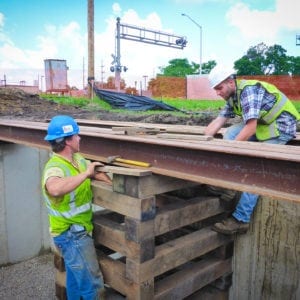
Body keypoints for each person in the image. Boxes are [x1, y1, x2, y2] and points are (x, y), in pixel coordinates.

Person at [205, 66, 300, 235]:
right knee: (231, 132)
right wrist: (204, 141)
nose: (217, 93)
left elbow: (251, 127)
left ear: (230, 82)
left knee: (257, 167)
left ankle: (241, 219)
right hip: (264, 124)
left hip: (281, 125)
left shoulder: (248, 91)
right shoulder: (232, 97)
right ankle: (230, 185)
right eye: (215, 89)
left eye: (219, 88)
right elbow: (218, 121)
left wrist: (231, 151)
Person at [41, 115, 112, 299]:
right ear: (67, 141)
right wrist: (86, 174)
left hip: (77, 230)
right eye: (76, 135)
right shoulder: (54, 167)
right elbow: (54, 188)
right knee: (92, 284)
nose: (79, 138)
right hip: (71, 235)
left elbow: (91, 173)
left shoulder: (78, 159)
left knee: (75, 280)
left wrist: (109, 182)